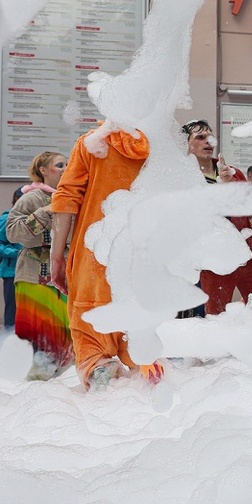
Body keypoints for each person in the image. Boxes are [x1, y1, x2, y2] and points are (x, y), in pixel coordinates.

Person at [50, 123, 163, 388]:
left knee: (90, 339)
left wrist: (57, 256)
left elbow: (66, 198)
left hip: (94, 256)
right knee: (141, 341)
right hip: (142, 257)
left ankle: (100, 371)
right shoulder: (158, 145)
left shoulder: (92, 142)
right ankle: (157, 382)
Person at [182, 119, 252, 315]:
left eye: (209, 137)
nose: (208, 141)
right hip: (214, 260)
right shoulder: (184, 179)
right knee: (216, 318)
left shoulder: (231, 171)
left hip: (248, 254)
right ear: (186, 145)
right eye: (200, 137)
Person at [6, 151, 72, 379]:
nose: (66, 168)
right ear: (43, 171)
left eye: (68, 164)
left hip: (63, 278)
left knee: (66, 340)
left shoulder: (72, 197)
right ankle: (37, 393)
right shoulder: (31, 198)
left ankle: (54, 393)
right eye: (60, 164)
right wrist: (44, 213)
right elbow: (13, 232)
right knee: (44, 341)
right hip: (36, 277)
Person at [0, 191, 23, 328]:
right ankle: (10, 343)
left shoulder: (35, 218)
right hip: (12, 272)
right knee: (13, 311)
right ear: (18, 199)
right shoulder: (7, 219)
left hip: (32, 273)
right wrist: (18, 253)